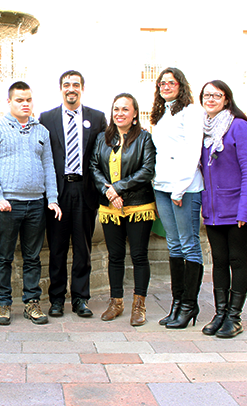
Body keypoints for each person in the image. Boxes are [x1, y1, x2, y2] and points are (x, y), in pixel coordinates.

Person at [0, 81, 62, 325]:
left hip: (36, 204)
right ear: (9, 102)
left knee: (32, 257)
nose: (25, 104)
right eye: (19, 100)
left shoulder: (42, 131)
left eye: (28, 100)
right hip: (8, 205)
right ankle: (3, 304)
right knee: (4, 256)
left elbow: (49, 166)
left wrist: (53, 199)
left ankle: (31, 303)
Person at [39, 70, 107, 318]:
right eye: (67, 84)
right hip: (58, 191)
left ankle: (80, 298)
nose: (71, 88)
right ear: (61, 89)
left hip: (85, 190)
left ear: (82, 88)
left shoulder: (97, 118)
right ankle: (56, 299)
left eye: (76, 84)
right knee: (56, 248)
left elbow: (103, 156)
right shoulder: (46, 118)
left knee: (83, 248)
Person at [90, 93, 157, 326]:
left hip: (138, 204)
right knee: (115, 256)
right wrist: (108, 191)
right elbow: (94, 167)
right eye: (116, 109)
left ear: (135, 113)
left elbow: (147, 170)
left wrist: (117, 188)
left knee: (139, 256)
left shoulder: (144, 139)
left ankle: (139, 305)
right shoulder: (102, 138)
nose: (119, 113)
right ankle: (116, 302)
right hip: (110, 207)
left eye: (125, 109)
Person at [199, 81, 247, 338]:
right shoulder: (203, 129)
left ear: (226, 99)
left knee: (237, 261)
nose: (211, 99)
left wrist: (244, 210)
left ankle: (234, 317)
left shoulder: (239, 126)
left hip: (236, 209)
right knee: (219, 263)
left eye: (216, 95)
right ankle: (220, 312)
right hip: (213, 210)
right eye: (207, 95)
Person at [150, 67, 205, 329]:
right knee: (173, 245)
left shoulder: (191, 112)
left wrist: (180, 188)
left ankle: (189, 305)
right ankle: (177, 303)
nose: (165, 86)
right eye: (162, 83)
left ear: (181, 85)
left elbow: (193, 151)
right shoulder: (161, 115)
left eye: (171, 82)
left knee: (189, 244)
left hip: (184, 188)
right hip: (162, 186)